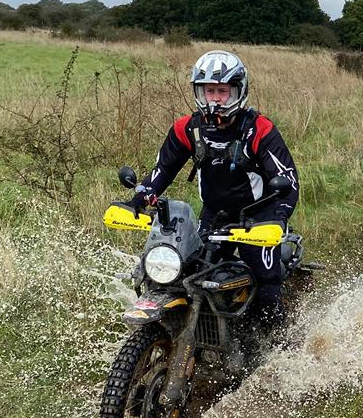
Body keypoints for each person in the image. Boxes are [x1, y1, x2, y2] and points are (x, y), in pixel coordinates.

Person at [128, 50, 299, 330]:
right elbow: (163, 170)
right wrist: (140, 197)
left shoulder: (259, 130)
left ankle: (279, 343)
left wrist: (278, 219)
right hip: (215, 214)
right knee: (190, 273)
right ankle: (199, 333)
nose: (216, 98)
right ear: (200, 92)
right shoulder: (188, 128)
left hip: (258, 217)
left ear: (238, 91)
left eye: (223, 91)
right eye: (210, 91)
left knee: (266, 280)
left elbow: (288, 179)